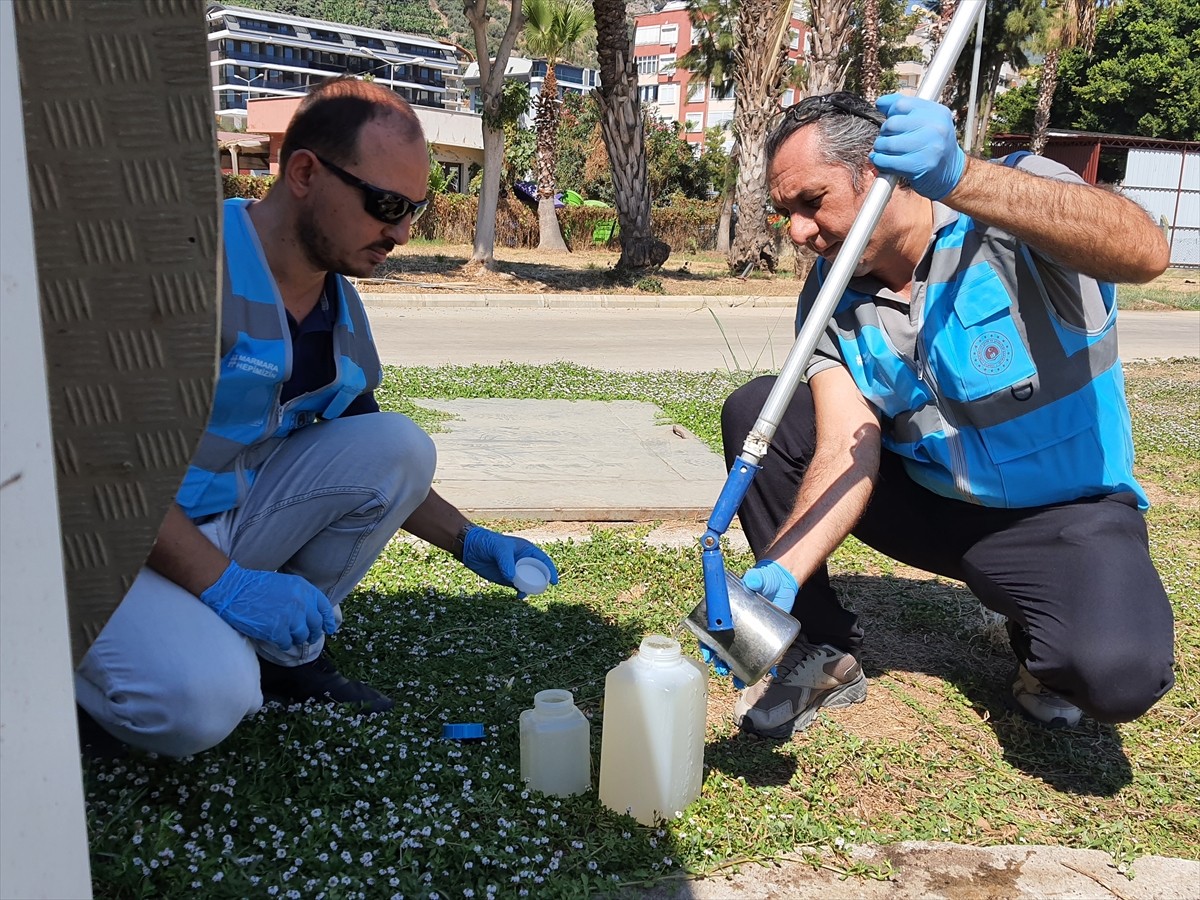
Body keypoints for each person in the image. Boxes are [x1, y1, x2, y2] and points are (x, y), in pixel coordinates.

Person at [74, 77, 558, 757]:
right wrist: (227, 585)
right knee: (199, 703)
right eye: (387, 205)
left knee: (399, 446)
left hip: (223, 523)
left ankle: (280, 656)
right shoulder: (180, 269)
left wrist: (471, 540)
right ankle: (72, 665)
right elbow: (97, 472)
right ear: (304, 173)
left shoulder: (340, 309)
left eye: (415, 209)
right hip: (111, 540)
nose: (402, 232)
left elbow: (370, 458)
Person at [718, 91, 1175, 738]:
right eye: (785, 212)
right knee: (760, 409)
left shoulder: (1011, 207)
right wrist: (786, 567)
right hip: (931, 507)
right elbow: (845, 442)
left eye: (812, 201)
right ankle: (821, 646)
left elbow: (1144, 251)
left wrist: (962, 177)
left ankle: (1041, 635)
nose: (796, 231)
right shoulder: (828, 293)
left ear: (879, 171)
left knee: (1116, 673)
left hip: (1062, 514)